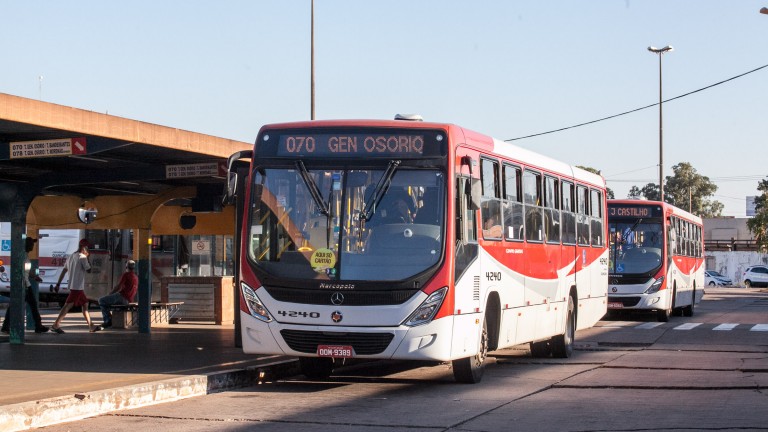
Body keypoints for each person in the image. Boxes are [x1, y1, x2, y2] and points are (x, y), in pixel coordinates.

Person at [1, 236, 49, 334]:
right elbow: (19, 271)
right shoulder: (22, 256)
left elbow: (26, 271)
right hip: (22, 285)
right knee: (18, 305)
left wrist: (34, 276)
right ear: (26, 245)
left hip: (27, 284)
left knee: (32, 305)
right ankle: (6, 326)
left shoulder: (25, 256)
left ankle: (38, 326)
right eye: (31, 244)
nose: (32, 246)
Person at [50, 239, 96, 334]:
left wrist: (58, 284)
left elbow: (64, 270)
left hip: (74, 286)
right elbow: (89, 270)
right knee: (67, 306)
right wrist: (88, 258)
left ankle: (91, 325)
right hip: (77, 287)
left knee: (85, 304)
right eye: (87, 247)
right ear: (84, 247)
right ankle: (55, 324)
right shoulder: (83, 257)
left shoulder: (71, 256)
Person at [96, 260, 138, 330]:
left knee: (101, 300)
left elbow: (119, 286)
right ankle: (110, 319)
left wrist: (110, 293)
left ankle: (108, 320)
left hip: (122, 297)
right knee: (107, 303)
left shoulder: (126, 275)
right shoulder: (136, 277)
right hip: (129, 300)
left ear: (126, 267)